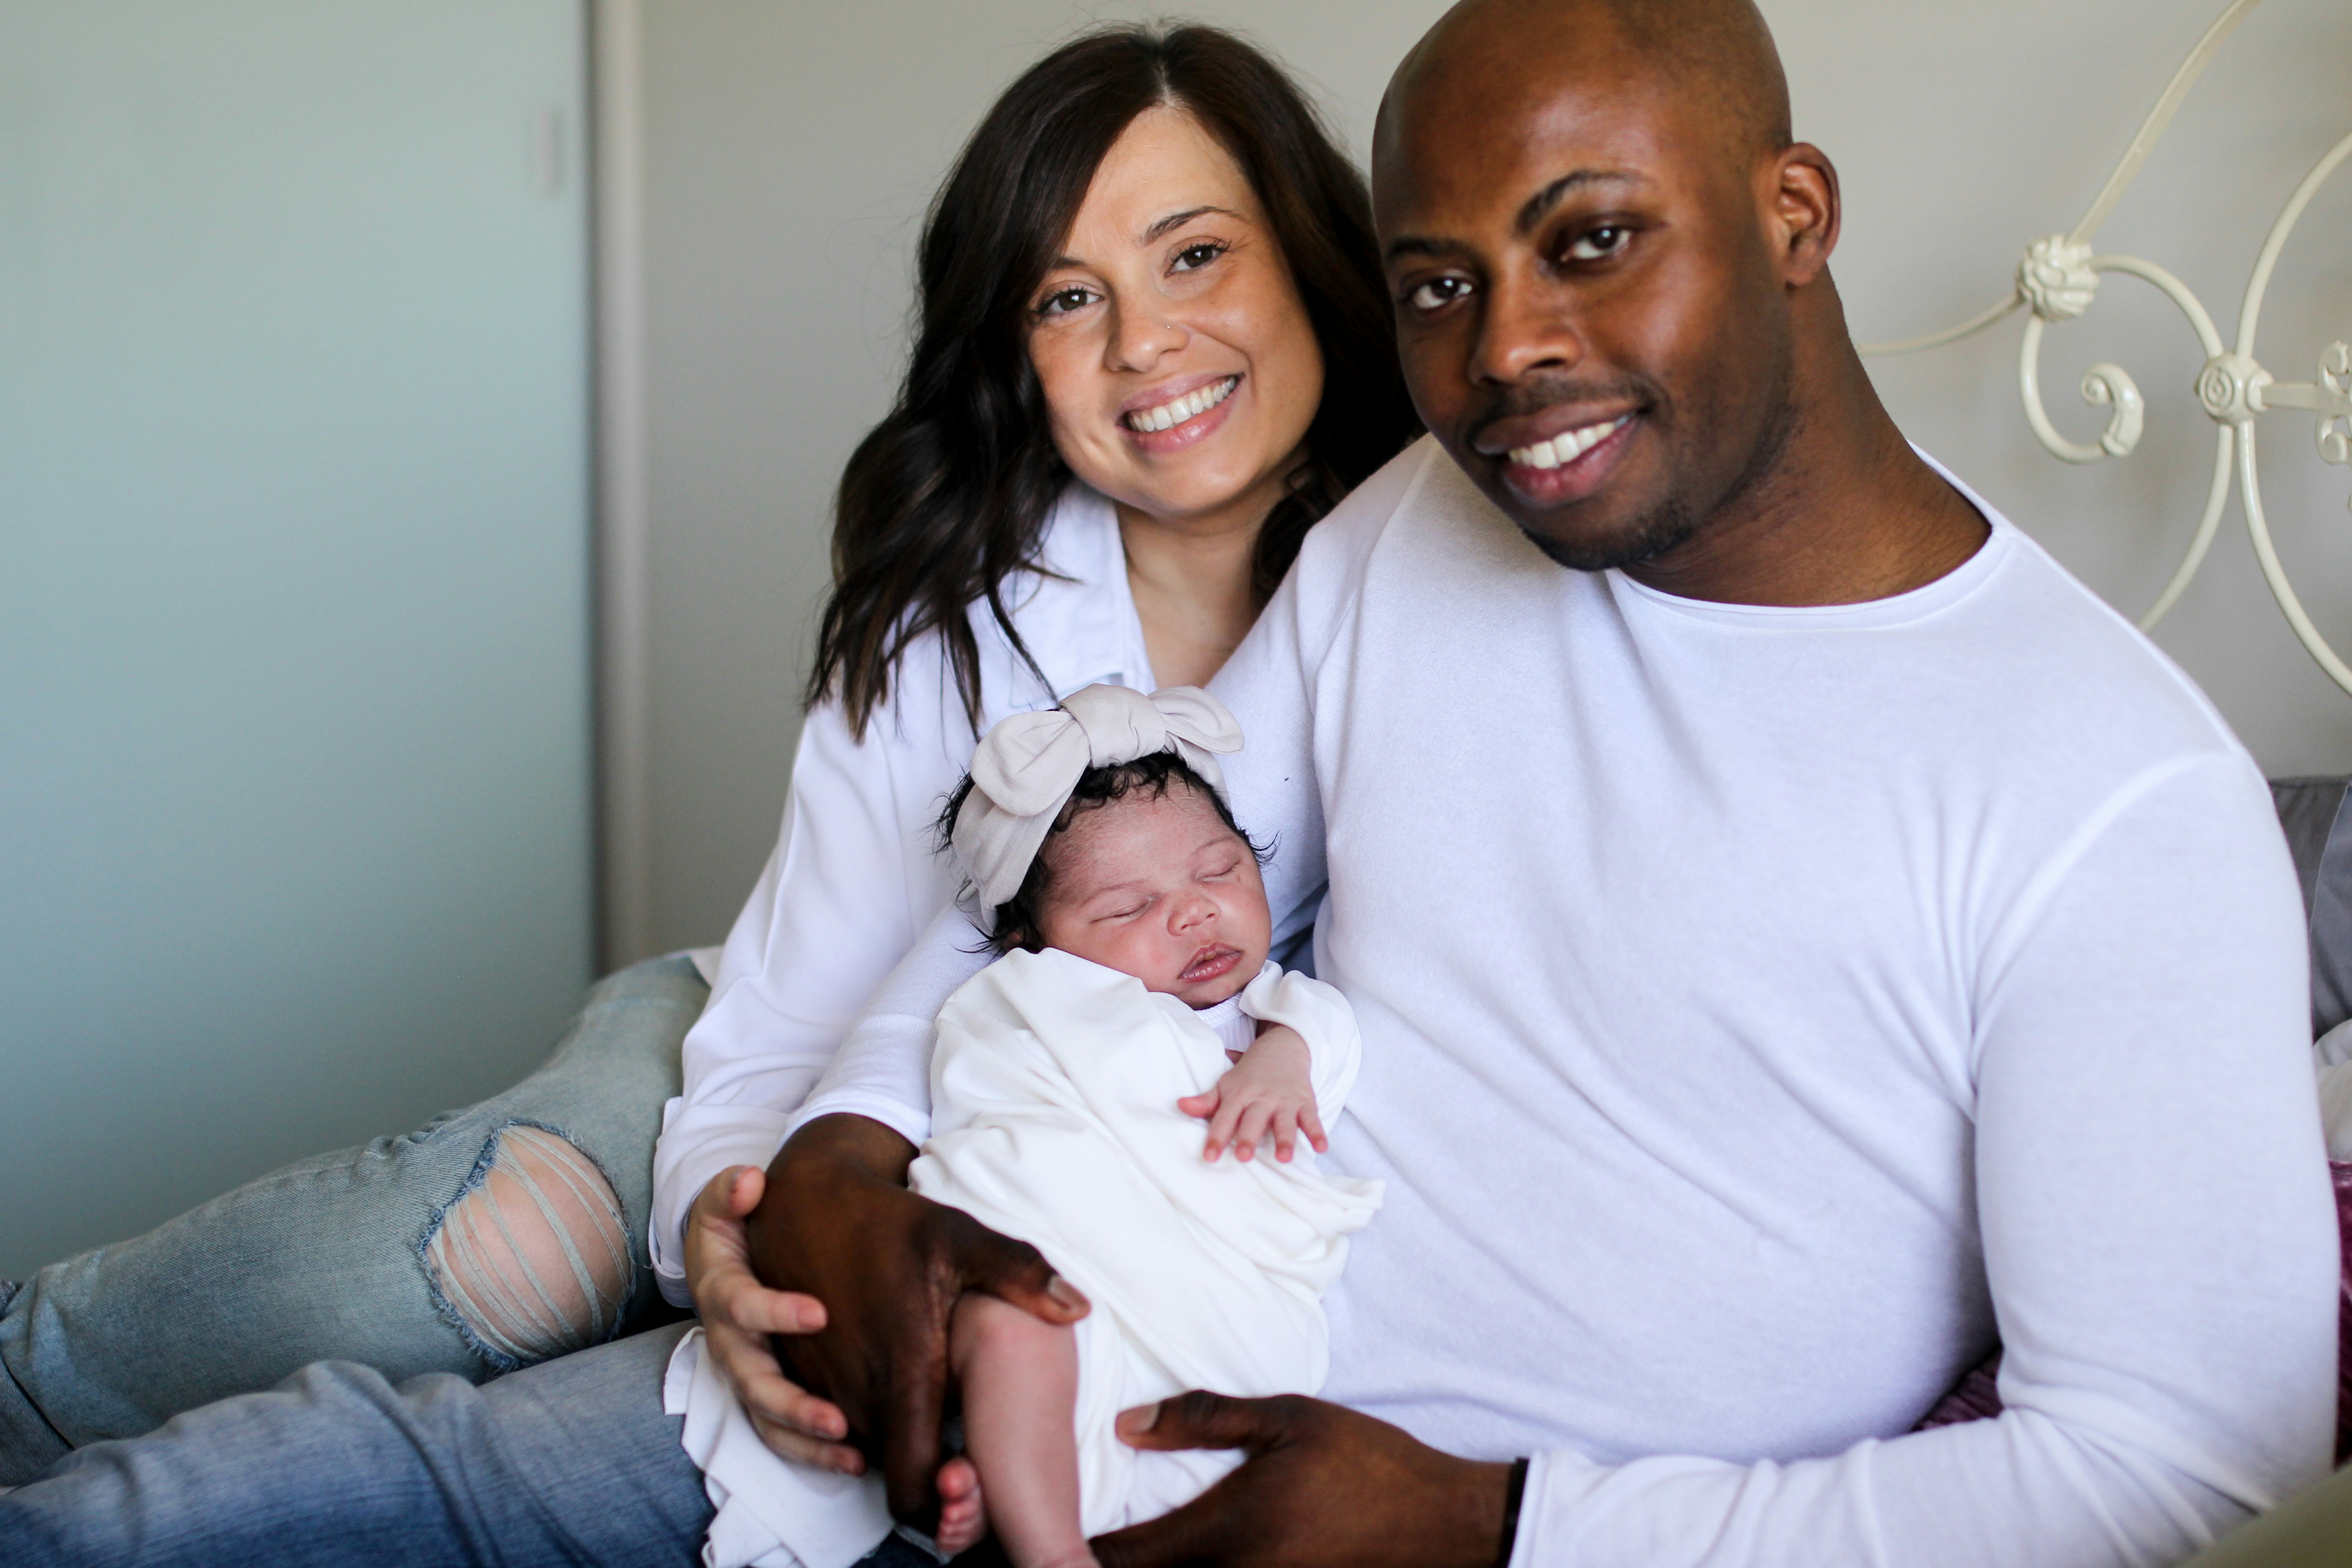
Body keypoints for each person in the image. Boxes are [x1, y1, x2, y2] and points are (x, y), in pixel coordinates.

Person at [0, 2, 2339, 1566]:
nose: (1507, 353)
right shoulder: (1431, 526)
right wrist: (832, 1156)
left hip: (1327, 1479)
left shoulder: (2102, 793)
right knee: (396, 1446)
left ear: (1793, 218)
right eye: (1437, 283)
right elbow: (1130, 901)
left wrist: (1489, 1523)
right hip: (1035, 1287)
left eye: (1590, 243)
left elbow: (2186, 1461)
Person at [0, 21, 1415, 1485]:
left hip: (1021, 1142)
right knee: (505, 1250)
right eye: (1068, 296)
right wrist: (728, 1245)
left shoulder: (1443, 586)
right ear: (1017, 349)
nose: (1142, 344)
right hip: (761, 1035)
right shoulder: (959, 602)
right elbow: (800, 1011)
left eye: (1195, 256)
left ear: (1307, 256)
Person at [678, 684, 1378, 1568]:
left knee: (1177, 1425)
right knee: (1012, 1325)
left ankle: (1011, 1480)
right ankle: (1046, 1542)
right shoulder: (1025, 1003)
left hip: (1203, 1284)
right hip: (1044, 1261)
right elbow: (975, 1112)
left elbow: (1325, 1030)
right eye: (1125, 908)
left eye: (1220, 870)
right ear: (1035, 944)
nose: (1193, 911)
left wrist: (1283, 1058)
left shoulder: (1266, 1010)